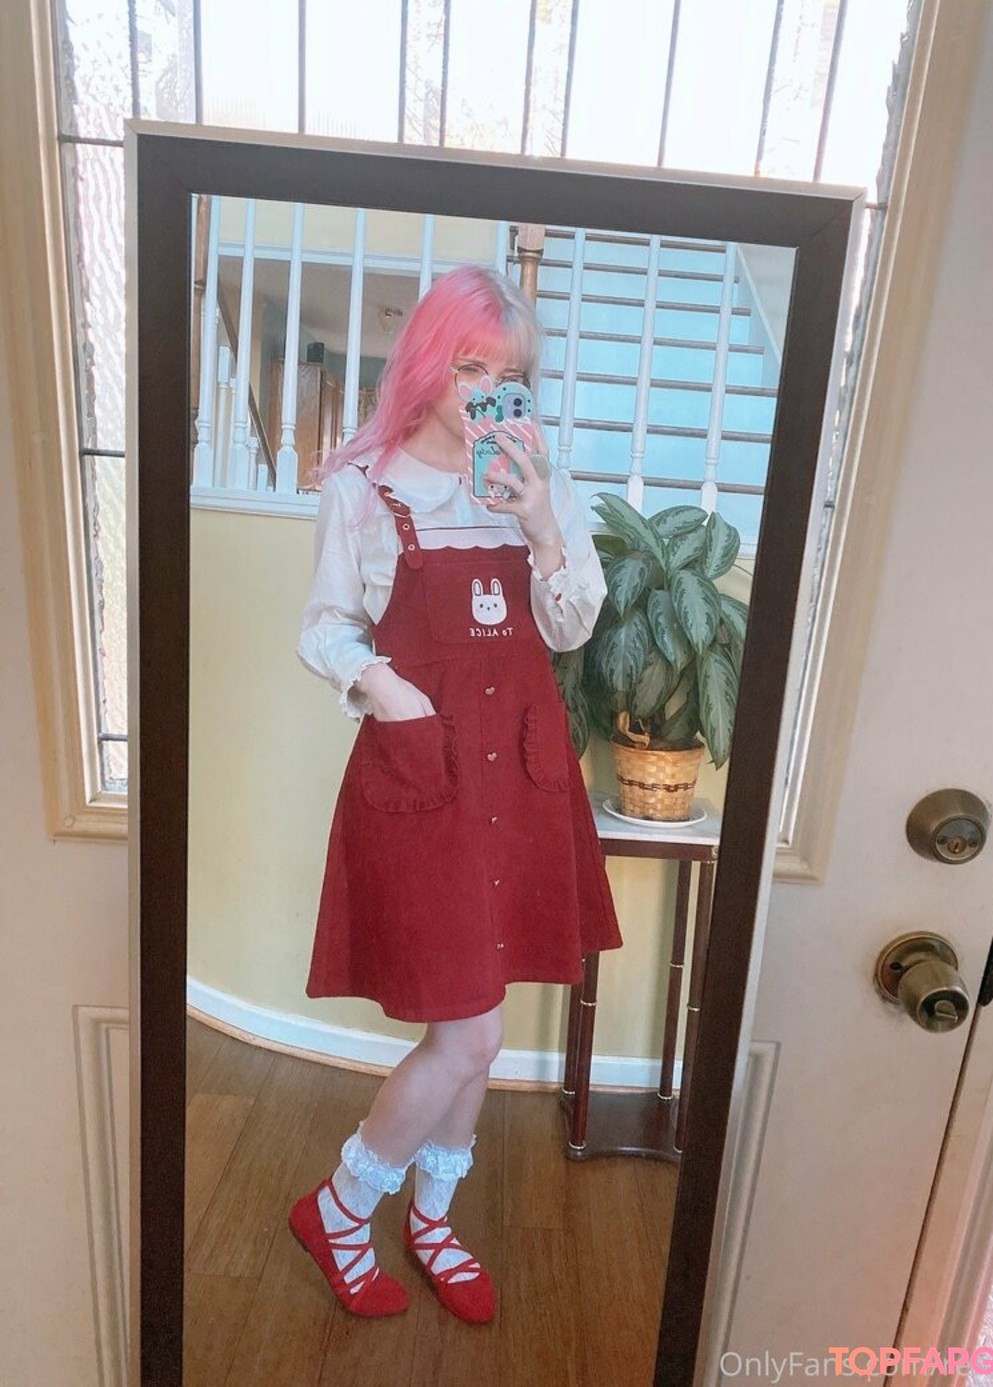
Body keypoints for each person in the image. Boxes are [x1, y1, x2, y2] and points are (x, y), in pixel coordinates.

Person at [288, 264, 622, 1324]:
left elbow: (570, 626)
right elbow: (326, 627)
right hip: (424, 778)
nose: (485, 391)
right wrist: (385, 689)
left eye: (506, 374)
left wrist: (540, 523)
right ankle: (342, 1209)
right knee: (470, 1034)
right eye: (468, 366)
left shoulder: (538, 483)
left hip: (519, 775)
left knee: (488, 1017)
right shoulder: (363, 487)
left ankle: (432, 1217)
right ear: (427, 362)